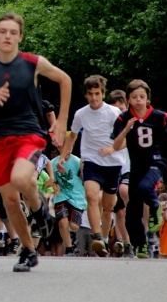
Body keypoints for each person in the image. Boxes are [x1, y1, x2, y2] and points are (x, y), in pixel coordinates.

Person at [0, 11, 71, 272]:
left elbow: (65, 79)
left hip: (29, 134)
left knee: (20, 179)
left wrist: (61, 121)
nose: (7, 36)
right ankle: (28, 250)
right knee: (9, 202)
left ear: (20, 37)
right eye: (3, 31)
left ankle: (39, 210)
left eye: (13, 32)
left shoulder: (33, 62)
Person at [112, 79, 167, 259]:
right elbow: (115, 145)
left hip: (157, 160)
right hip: (136, 165)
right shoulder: (123, 118)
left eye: (142, 97)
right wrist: (127, 129)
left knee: (145, 188)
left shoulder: (160, 116)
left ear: (147, 98)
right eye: (134, 97)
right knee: (132, 211)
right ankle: (141, 246)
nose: (138, 100)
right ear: (128, 99)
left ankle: (155, 208)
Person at [58, 75, 125, 257]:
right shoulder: (81, 114)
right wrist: (63, 157)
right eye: (90, 94)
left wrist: (112, 148)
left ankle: (104, 236)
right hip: (91, 161)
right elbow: (72, 136)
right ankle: (97, 238)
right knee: (90, 195)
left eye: (97, 94)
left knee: (108, 206)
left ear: (103, 94)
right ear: (86, 95)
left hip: (113, 162)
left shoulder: (114, 113)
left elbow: (126, 140)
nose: (94, 98)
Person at [107, 89, 133, 257]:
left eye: (121, 109)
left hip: (129, 166)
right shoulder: (107, 124)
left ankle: (141, 233)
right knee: (119, 212)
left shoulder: (133, 122)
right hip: (110, 167)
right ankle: (126, 243)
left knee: (125, 192)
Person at [50, 144, 86, 256]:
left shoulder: (77, 161)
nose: (69, 150)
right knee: (62, 221)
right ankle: (69, 249)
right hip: (62, 195)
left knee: (74, 226)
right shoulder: (52, 163)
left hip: (77, 197)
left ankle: (73, 238)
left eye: (70, 147)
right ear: (59, 148)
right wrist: (54, 186)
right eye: (66, 148)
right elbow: (53, 181)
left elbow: (84, 178)